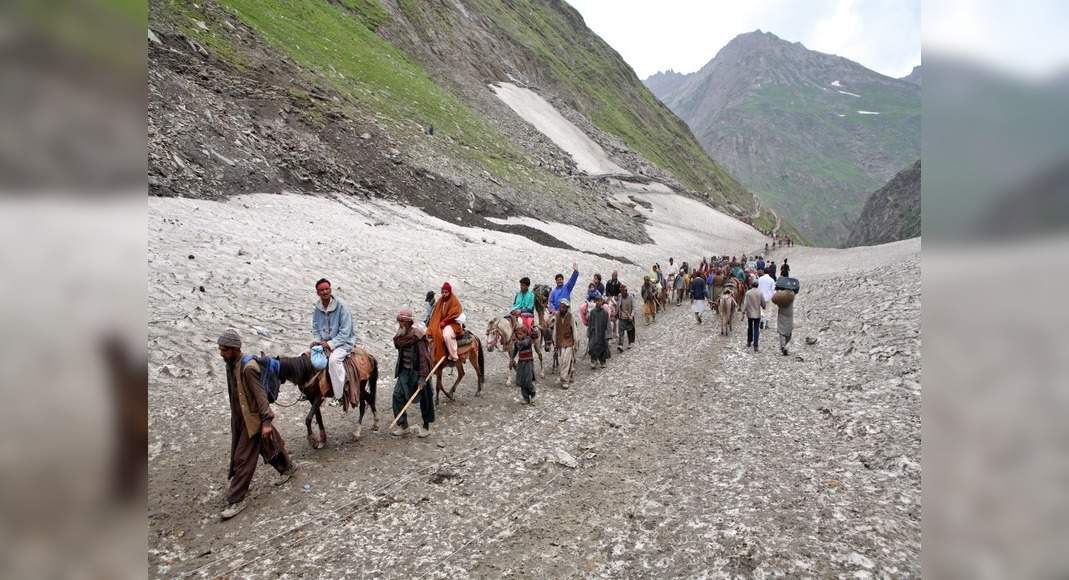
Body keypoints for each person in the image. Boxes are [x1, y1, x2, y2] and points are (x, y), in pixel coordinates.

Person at [217, 329, 296, 520]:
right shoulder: (231, 364)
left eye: (224, 350)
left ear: (234, 349)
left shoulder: (248, 368)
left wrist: (266, 421)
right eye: (220, 349)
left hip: (253, 419)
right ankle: (288, 468)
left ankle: (237, 499)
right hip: (242, 418)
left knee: (243, 458)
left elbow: (260, 397)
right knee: (269, 444)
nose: (221, 354)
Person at [312, 278, 356, 400]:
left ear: (330, 290)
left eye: (327, 289)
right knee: (306, 357)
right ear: (318, 293)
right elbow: (315, 326)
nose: (325, 292)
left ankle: (339, 395)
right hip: (324, 342)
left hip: (343, 343)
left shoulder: (342, 307)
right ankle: (312, 391)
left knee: (333, 361)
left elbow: (346, 332)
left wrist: (330, 344)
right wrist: (317, 341)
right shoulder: (318, 307)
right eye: (322, 290)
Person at [391, 310, 434, 438]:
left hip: (419, 372)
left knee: (426, 399)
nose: (400, 324)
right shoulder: (401, 336)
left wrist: (422, 377)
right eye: (399, 321)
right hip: (404, 371)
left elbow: (424, 357)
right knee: (397, 396)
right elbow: (398, 344)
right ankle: (404, 426)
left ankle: (426, 427)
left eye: (402, 321)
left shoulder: (418, 337)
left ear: (409, 322)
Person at [428, 282, 464, 363]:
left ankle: (454, 355)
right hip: (442, 322)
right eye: (443, 292)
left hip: (452, 323)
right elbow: (436, 313)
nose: (444, 294)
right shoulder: (440, 300)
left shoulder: (454, 300)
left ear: (449, 292)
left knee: (446, 335)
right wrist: (436, 322)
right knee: (433, 332)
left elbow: (455, 314)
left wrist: (445, 322)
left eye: (446, 292)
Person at [510, 325, 536, 404]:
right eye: (517, 334)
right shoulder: (517, 342)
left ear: (525, 334)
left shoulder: (528, 340)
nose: (519, 335)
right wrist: (512, 359)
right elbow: (515, 351)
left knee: (528, 380)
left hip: (528, 362)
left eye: (520, 334)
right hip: (521, 362)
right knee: (521, 381)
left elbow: (523, 344)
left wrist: (516, 342)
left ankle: (533, 393)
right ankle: (526, 398)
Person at [554, 299, 577, 387]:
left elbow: (574, 330)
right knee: (562, 360)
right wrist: (555, 341)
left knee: (566, 360)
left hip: (569, 341)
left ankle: (564, 379)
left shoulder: (571, 317)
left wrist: (575, 342)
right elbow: (555, 330)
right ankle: (569, 373)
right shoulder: (557, 316)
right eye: (561, 307)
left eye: (564, 307)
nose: (562, 309)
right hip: (560, 341)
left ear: (567, 308)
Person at [742, 280, 767, 353]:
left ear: (752, 285)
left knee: (750, 328)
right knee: (756, 329)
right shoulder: (760, 292)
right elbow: (763, 302)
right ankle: (756, 345)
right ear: (757, 286)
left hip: (749, 314)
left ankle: (749, 342)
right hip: (757, 313)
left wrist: (743, 311)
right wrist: (764, 306)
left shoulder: (748, 293)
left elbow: (745, 303)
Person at [587, 293, 610, 368]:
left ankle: (602, 361)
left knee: (603, 347)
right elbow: (590, 324)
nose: (598, 302)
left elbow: (608, 324)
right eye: (596, 301)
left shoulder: (605, 313)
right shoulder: (592, 312)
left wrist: (607, 335)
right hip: (594, 333)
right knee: (593, 346)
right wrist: (589, 333)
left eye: (599, 301)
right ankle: (593, 361)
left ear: (602, 302)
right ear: (595, 302)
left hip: (602, 333)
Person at [616, 285, 635, 351]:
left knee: (629, 330)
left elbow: (633, 308)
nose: (622, 293)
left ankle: (630, 343)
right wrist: (616, 312)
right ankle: (620, 345)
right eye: (621, 291)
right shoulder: (620, 296)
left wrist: (631, 316)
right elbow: (618, 305)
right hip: (621, 317)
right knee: (621, 331)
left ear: (626, 291)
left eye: (623, 291)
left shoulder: (631, 297)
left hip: (628, 317)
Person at [777, 291, 795, 356]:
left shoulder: (780, 296)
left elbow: (778, 304)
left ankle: (782, 345)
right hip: (789, 314)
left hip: (781, 314)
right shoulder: (792, 295)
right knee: (789, 331)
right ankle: (787, 346)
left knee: (781, 331)